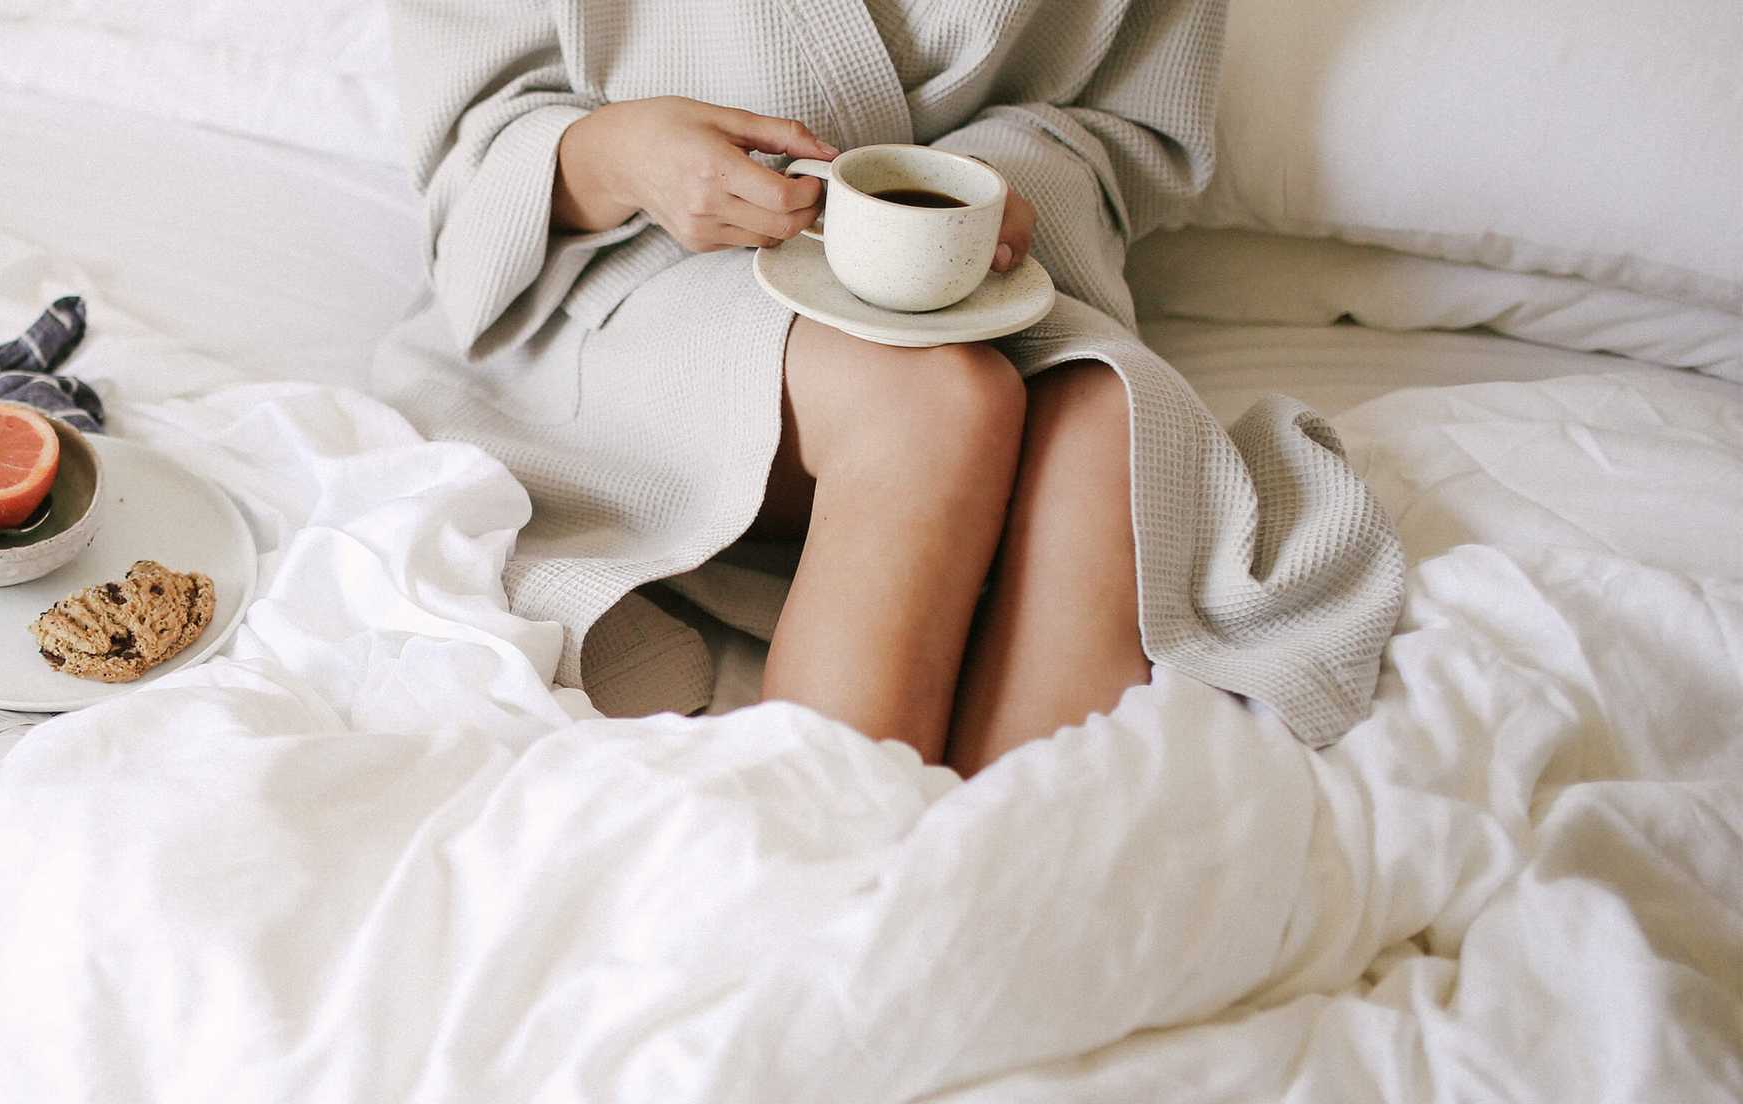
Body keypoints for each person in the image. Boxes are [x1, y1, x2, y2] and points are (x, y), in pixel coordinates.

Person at [385, 1, 1404, 775]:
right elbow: (472, 156)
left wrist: (993, 191)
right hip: (627, 280)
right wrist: (619, 156)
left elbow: (1127, 128)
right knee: (935, 405)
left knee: (1106, 430)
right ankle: (816, 874)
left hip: (974, 272)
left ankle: (976, 911)